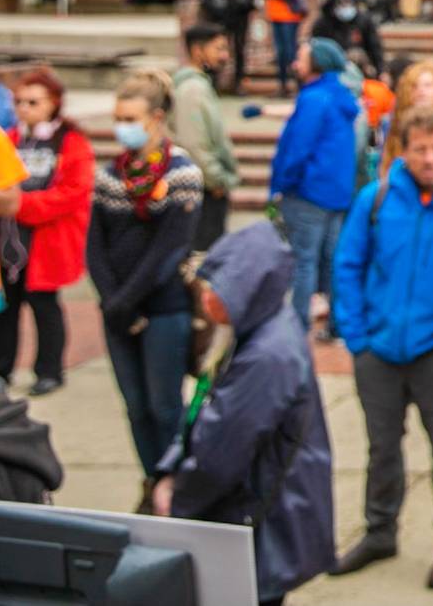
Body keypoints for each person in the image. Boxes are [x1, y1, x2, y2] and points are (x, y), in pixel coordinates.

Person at [330, 105, 433, 590]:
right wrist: (356, 338)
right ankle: (379, 532)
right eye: (419, 148)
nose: (428, 157)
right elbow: (347, 265)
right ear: (402, 151)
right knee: (382, 449)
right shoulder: (376, 199)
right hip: (377, 353)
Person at [151, 222, 335, 606]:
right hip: (264, 514)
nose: (206, 299)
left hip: (264, 526)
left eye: (218, 290)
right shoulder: (258, 326)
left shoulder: (266, 356)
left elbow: (221, 450)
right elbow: (206, 415)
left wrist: (179, 499)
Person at [86, 71, 202, 508]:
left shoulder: (182, 173)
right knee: (135, 407)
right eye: (117, 118)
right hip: (117, 309)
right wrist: (111, 301)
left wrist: (127, 299)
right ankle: (152, 479)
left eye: (129, 117)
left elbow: (169, 251)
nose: (122, 126)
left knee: (164, 406)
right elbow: (94, 245)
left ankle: (177, 485)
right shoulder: (109, 175)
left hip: (163, 307)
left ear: (156, 118)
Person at [0, 70, 94, 396]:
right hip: (8, 242)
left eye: (33, 102)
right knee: (5, 308)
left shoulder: (71, 142)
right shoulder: (9, 138)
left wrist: (20, 205)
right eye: (19, 102)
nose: (24, 108)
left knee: (44, 306)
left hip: (45, 241)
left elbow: (74, 191)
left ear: (53, 103)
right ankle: (3, 369)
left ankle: (49, 370)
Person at [266, 38, 360, 330]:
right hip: (336, 193)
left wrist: (282, 185)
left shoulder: (314, 99)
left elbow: (297, 148)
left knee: (304, 261)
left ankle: (296, 327)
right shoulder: (341, 96)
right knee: (332, 260)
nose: (295, 64)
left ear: (316, 63)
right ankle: (336, 324)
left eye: (302, 58)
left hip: (308, 193)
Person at [171, 24, 240, 252]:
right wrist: (216, 179)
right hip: (204, 190)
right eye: (219, 49)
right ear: (198, 51)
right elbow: (194, 144)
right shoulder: (192, 89)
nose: (225, 56)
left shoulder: (199, 85)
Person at [258, 0, 309, 96]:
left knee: (290, 51)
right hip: (275, 14)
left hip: (289, 15)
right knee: (280, 53)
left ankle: (298, 84)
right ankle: (282, 85)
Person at [308, 0, 385, 80]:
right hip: (332, 69)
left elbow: (374, 46)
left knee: (356, 54)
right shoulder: (324, 23)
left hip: (359, 66)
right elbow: (315, 47)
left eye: (348, 2)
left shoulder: (363, 21)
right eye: (341, 3)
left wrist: (381, 70)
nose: (345, 6)